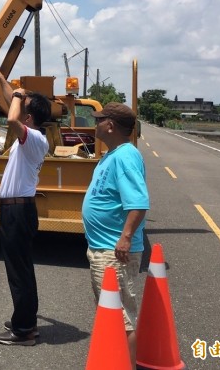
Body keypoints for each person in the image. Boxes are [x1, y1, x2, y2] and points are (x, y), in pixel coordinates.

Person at [0, 60, 52, 347]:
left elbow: (11, 119)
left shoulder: (34, 137)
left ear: (29, 117)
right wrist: (1, 77)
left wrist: (15, 96)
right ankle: (27, 322)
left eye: (22, 105)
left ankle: (23, 329)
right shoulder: (33, 136)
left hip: (18, 209)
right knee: (21, 267)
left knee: (19, 270)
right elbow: (12, 106)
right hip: (15, 208)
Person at [82, 102, 149, 369]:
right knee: (111, 312)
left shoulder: (124, 156)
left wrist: (126, 237)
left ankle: (125, 365)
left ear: (110, 125)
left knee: (121, 315)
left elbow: (139, 202)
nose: (95, 124)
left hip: (114, 250)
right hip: (104, 248)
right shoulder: (113, 154)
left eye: (99, 120)